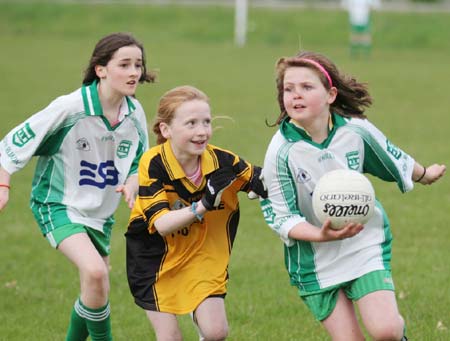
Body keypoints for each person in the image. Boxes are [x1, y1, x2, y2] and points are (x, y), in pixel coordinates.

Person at [260, 51, 446, 341]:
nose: (295, 95)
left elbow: (392, 156)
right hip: (314, 260)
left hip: (363, 242)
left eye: (306, 87)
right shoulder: (280, 150)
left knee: (387, 330)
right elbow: (281, 216)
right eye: (288, 89)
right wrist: (320, 235)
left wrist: (424, 174)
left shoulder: (355, 132)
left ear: (331, 94)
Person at [0, 32, 155, 340]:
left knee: (96, 289)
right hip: (58, 205)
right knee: (96, 273)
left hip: (101, 213)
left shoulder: (134, 112)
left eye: (138, 65)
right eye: (124, 64)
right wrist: (3, 183)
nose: (134, 72)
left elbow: (142, 159)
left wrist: (134, 180)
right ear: (101, 69)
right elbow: (12, 144)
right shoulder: (70, 107)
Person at [125, 85, 267, 341]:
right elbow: (162, 224)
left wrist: (268, 185)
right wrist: (204, 204)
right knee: (170, 338)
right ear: (166, 129)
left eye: (206, 122)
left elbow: (264, 180)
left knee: (216, 332)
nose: (202, 131)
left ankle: (197, 305)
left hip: (202, 253)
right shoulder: (154, 163)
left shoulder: (223, 162)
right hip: (155, 258)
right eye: (190, 123)